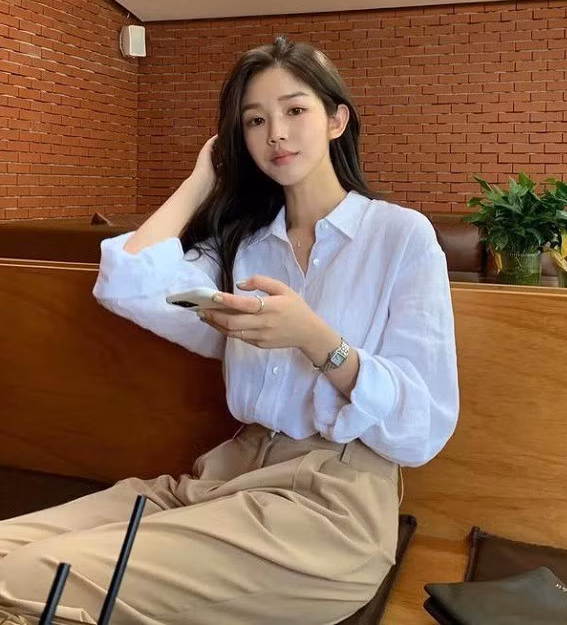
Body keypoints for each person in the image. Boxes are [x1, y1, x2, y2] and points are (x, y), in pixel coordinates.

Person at [0, 37, 459, 625]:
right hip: (226, 474)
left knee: (29, 579)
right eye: (255, 120)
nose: (277, 134)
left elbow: (422, 428)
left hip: (330, 507)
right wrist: (202, 178)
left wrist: (315, 338)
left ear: (337, 120)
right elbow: (126, 283)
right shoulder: (243, 244)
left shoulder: (400, 236)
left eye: (295, 110)